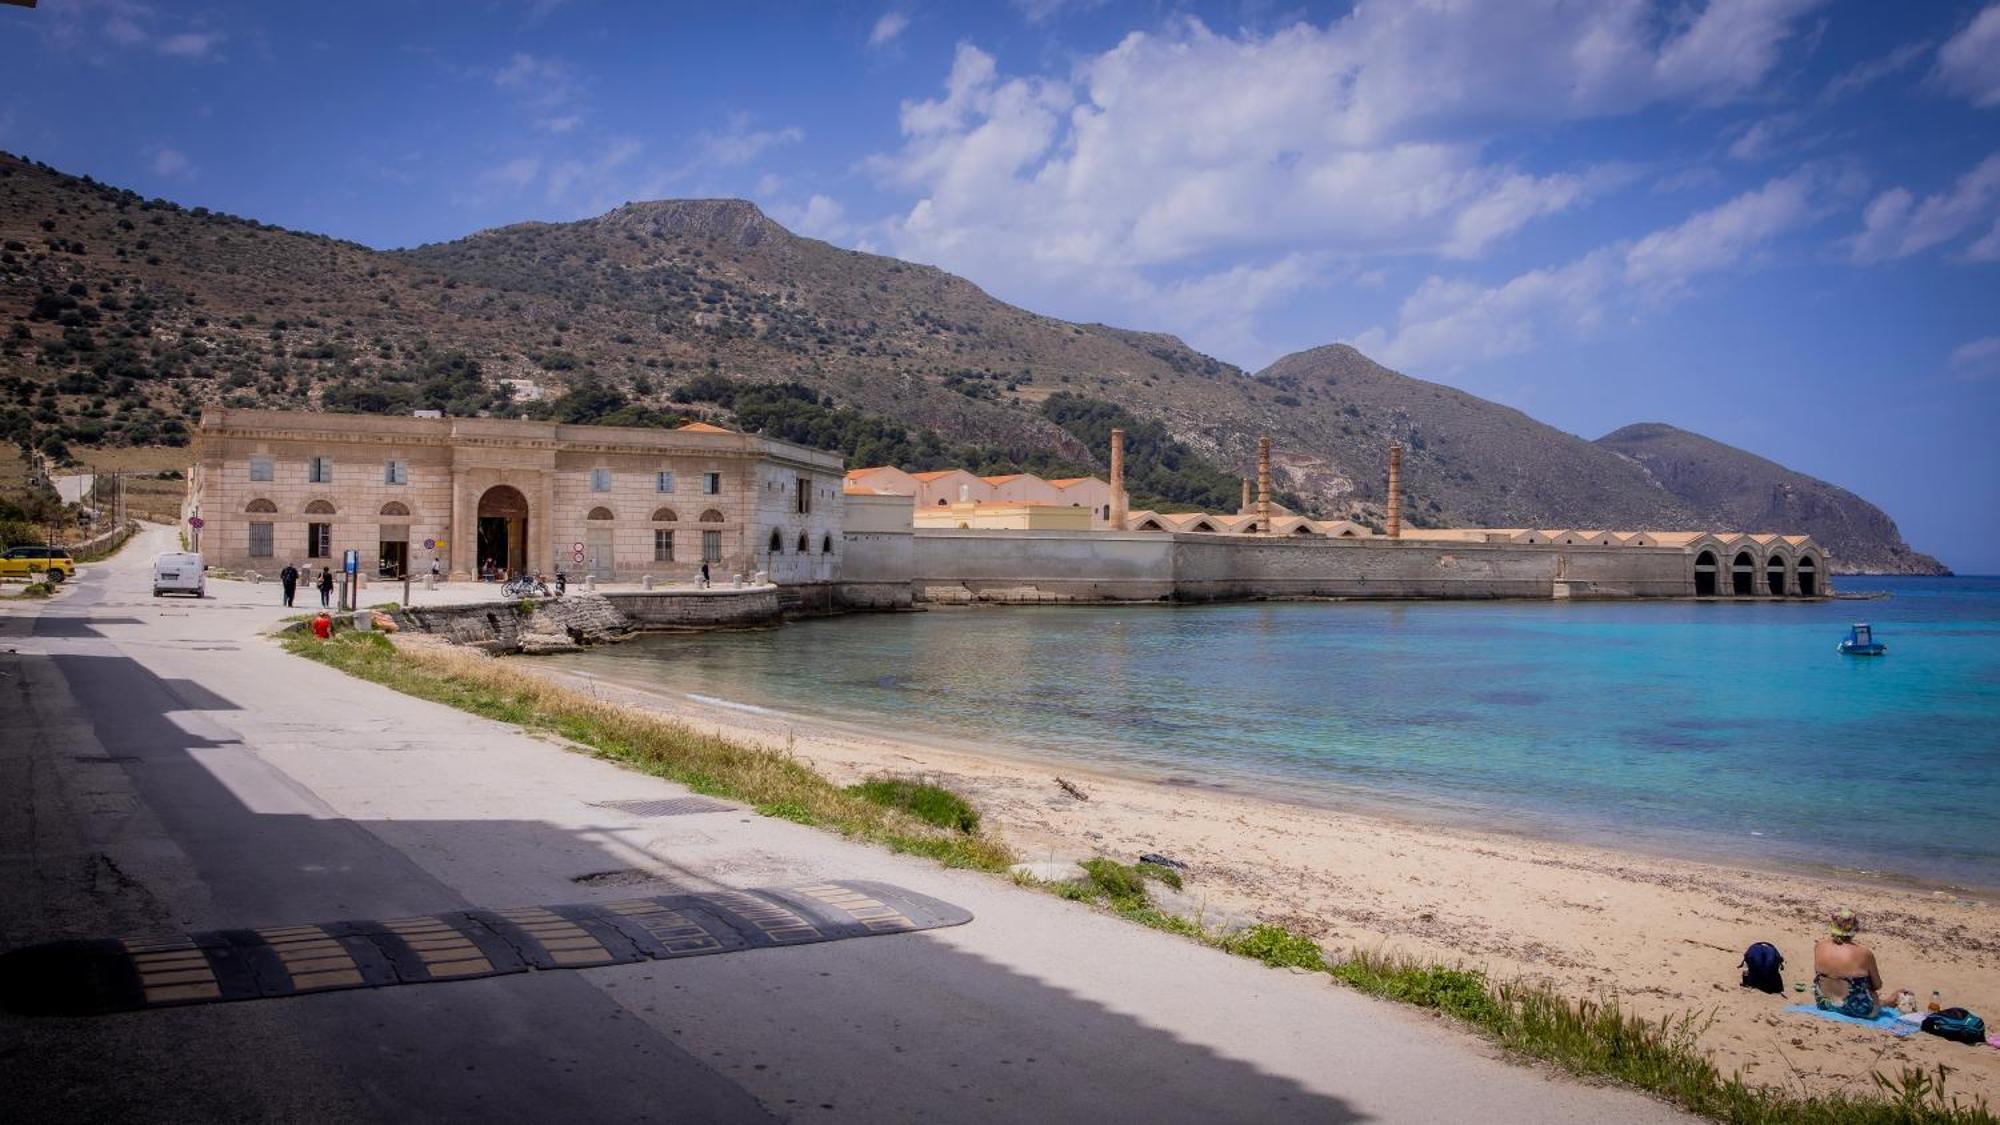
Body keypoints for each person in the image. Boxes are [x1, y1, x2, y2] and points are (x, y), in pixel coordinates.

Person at [1814, 909, 1888, 1018]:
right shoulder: (1864, 953)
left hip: (1824, 1004)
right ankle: (1889, 1002)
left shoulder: (1819, 947)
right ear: (1855, 928)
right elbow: (1877, 985)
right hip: (1859, 1010)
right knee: (1872, 991)